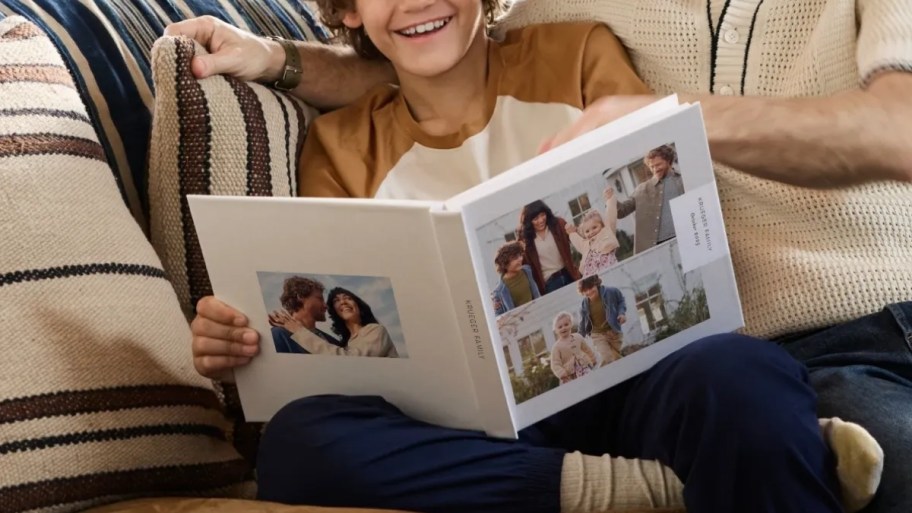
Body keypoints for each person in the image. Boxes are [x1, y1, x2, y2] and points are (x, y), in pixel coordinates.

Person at [172, 0, 899, 511]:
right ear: (349, 9)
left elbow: (655, 184)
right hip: (470, 422)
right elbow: (340, 324)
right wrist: (241, 337)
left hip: (633, 376)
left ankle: (726, 449)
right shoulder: (338, 146)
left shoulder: (574, 45)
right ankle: (642, 488)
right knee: (299, 445)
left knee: (745, 375)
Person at [273, 286, 399, 358]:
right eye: (336, 301)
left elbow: (352, 361)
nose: (343, 302)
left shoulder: (376, 330)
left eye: (348, 298)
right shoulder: (341, 344)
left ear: (359, 306)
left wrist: (298, 331)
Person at [611, 145, 684, 255]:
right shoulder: (642, 189)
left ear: (669, 161)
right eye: (652, 166)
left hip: (685, 237)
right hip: (657, 246)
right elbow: (621, 211)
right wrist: (611, 199)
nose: (655, 169)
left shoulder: (683, 180)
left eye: (658, 164)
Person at [517, 200, 582, 294]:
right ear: (528, 222)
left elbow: (579, 239)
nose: (541, 220)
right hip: (550, 284)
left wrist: (575, 231)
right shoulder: (524, 240)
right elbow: (521, 267)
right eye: (535, 218)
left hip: (569, 274)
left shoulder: (559, 224)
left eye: (543, 215)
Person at [269, 276, 343, 354]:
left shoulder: (333, 342)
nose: (325, 306)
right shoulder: (278, 335)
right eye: (320, 299)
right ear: (300, 297)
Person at [565, 187, 620, 276]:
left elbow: (611, 216)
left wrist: (610, 199)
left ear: (602, 225)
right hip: (593, 278)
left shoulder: (606, 232)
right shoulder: (586, 244)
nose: (591, 232)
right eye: (587, 231)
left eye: (594, 227)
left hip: (610, 271)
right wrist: (571, 233)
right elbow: (578, 241)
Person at [576, 275, 627, 366]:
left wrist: (621, 313)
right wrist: (578, 338)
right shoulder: (584, 304)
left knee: (615, 356)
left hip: (614, 331)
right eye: (585, 290)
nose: (589, 292)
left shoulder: (610, 292)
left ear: (596, 284)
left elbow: (621, 301)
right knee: (608, 357)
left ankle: (604, 372)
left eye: (591, 288)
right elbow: (582, 321)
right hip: (598, 334)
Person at [491, 241, 541, 315]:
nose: (520, 259)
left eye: (520, 255)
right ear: (504, 263)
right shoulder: (499, 291)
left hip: (538, 312)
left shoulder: (527, 271)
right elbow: (499, 316)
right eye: (515, 258)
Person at [549, 311, 597, 384]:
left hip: (585, 367)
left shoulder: (578, 337)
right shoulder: (556, 347)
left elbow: (587, 350)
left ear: (571, 324)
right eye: (560, 327)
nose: (563, 328)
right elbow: (555, 363)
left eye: (566, 324)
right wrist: (562, 373)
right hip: (571, 374)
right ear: (556, 330)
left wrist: (593, 359)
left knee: (591, 382)